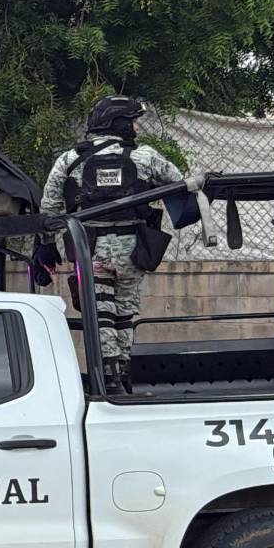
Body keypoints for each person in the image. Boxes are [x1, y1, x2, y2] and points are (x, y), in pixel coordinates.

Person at [41, 94, 188, 394]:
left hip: (88, 250)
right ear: (119, 123)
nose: (136, 127)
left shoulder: (70, 159)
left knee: (101, 314)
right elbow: (178, 181)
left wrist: (45, 245)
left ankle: (108, 378)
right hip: (133, 251)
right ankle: (124, 372)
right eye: (133, 121)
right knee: (124, 315)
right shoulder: (144, 156)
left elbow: (49, 205)